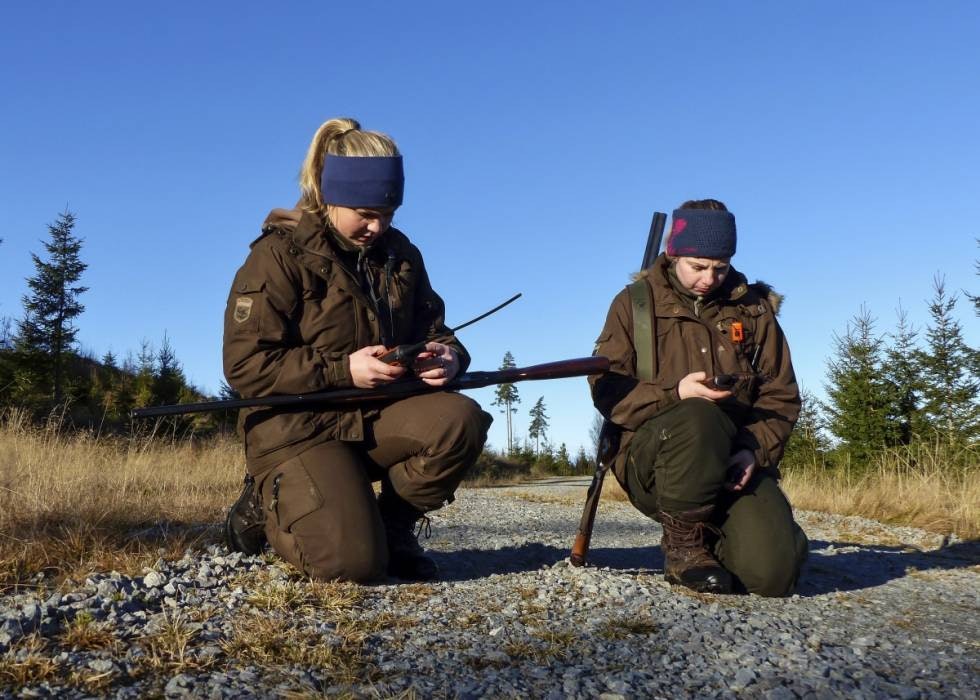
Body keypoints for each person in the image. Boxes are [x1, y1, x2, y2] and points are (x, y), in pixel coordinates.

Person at [221, 117, 492, 583]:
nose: (376, 226)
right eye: (364, 213)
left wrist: (448, 358)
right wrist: (343, 370)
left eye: (387, 214)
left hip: (376, 417)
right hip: (297, 427)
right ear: (329, 195)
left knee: (459, 419)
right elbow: (245, 365)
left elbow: (438, 331)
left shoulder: (401, 255)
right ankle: (263, 505)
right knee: (352, 565)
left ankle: (393, 526)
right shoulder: (276, 256)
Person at [589, 199, 808, 596]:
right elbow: (606, 388)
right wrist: (675, 393)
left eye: (720, 267)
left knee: (775, 575)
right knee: (699, 413)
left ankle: (732, 537)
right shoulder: (634, 303)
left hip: (730, 459)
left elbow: (782, 395)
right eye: (698, 267)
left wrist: (752, 451)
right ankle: (684, 546)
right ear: (674, 255)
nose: (709, 278)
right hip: (654, 461)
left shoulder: (754, 309)